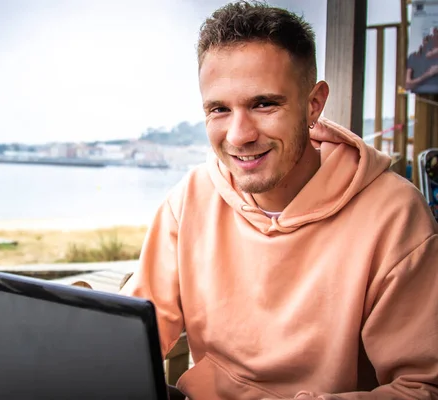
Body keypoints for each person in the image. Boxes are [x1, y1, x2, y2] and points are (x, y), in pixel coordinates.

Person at [119, 2, 438, 399]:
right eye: (219, 108)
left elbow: (422, 388)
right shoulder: (191, 198)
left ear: (313, 104)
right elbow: (129, 338)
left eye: (264, 104)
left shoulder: (394, 215)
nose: (239, 135)